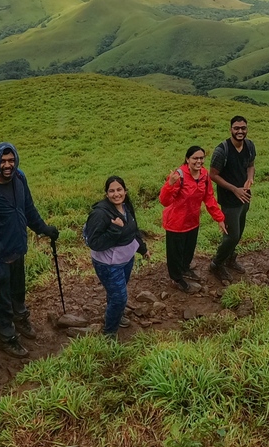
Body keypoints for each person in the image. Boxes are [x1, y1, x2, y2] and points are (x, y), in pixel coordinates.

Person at [0, 142, 59, 359]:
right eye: (3, 161)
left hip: (17, 249)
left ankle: (20, 319)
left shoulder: (19, 178)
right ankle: (6, 338)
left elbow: (28, 208)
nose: (8, 165)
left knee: (18, 291)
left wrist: (43, 229)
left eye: (11, 160)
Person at [84, 175, 149, 337]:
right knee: (120, 298)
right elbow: (94, 243)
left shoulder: (126, 206)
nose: (116, 194)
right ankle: (109, 332)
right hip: (108, 263)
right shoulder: (100, 214)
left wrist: (142, 248)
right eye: (111, 191)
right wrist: (115, 229)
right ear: (106, 194)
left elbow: (133, 229)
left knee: (115, 294)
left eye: (119, 190)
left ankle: (115, 316)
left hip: (126, 259)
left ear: (125, 191)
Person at [159, 145, 227, 292]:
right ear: (187, 159)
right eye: (195, 158)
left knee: (188, 250)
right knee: (175, 253)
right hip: (175, 223)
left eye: (201, 158)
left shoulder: (204, 175)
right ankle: (176, 279)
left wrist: (219, 219)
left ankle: (185, 269)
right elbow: (164, 201)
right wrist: (169, 184)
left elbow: (209, 198)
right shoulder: (178, 176)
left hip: (192, 221)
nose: (199, 161)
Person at [209, 115, 256, 281]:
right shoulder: (222, 150)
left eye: (243, 128)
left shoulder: (249, 146)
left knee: (239, 231)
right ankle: (217, 263)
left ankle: (230, 258)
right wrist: (234, 189)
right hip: (229, 200)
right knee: (232, 235)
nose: (240, 131)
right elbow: (213, 175)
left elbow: (251, 165)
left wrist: (250, 178)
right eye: (236, 128)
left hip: (245, 197)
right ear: (231, 129)